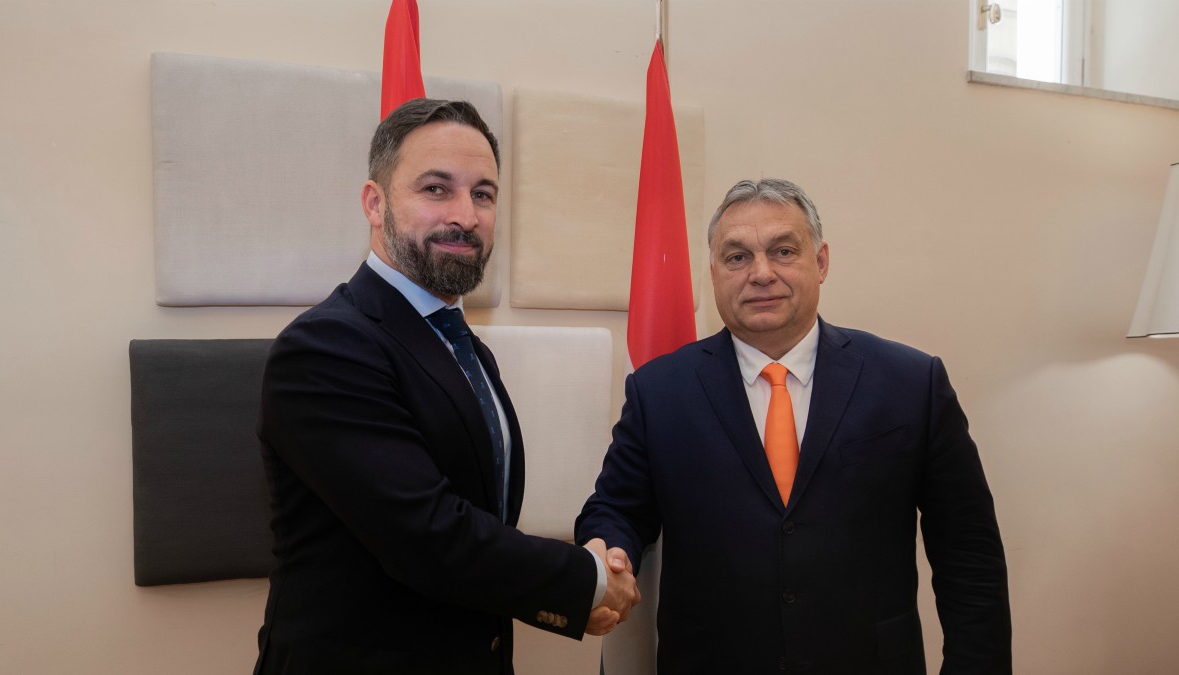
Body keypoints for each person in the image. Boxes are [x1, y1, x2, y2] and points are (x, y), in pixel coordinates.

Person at [253, 98, 638, 675]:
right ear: (375, 203)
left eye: (483, 194)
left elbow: (479, 519)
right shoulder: (327, 347)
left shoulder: (461, 343)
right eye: (436, 189)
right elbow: (426, 536)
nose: (465, 215)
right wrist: (586, 582)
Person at [576, 178, 1012, 673]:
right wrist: (608, 553)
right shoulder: (660, 391)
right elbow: (618, 508)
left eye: (783, 251)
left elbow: (969, 553)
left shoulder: (911, 383)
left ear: (821, 262)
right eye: (737, 257)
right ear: (713, 273)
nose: (761, 274)